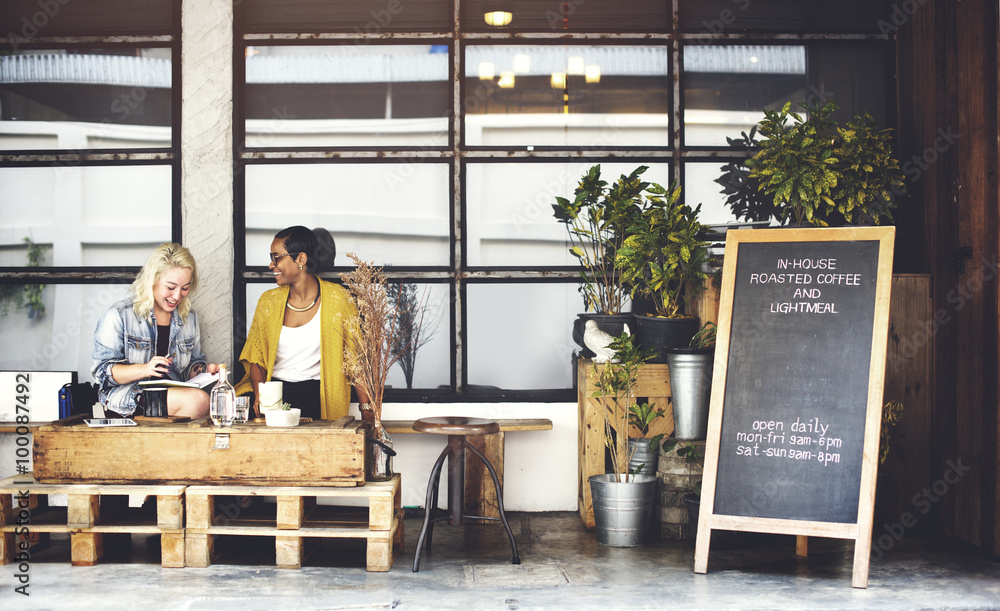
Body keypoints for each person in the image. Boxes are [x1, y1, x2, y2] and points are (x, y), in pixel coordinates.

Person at [236, 226, 365, 420]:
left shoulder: (339, 300)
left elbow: (356, 362)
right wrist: (260, 395)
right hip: (274, 389)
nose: (271, 265)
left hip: (316, 392)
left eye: (276, 257)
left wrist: (368, 411)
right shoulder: (268, 302)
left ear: (301, 259)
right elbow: (257, 358)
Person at [92, 243, 219, 419]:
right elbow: (103, 373)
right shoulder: (119, 315)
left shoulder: (189, 318)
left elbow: (190, 366)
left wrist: (204, 371)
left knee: (209, 401)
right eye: (170, 287)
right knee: (198, 402)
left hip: (171, 397)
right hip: (127, 400)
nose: (177, 296)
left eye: (185, 288)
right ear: (152, 280)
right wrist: (145, 369)